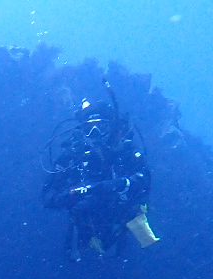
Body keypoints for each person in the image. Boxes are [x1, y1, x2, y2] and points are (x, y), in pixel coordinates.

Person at [43, 84, 157, 260]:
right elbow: (48, 197)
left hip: (124, 227)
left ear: (111, 128)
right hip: (84, 230)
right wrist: (71, 194)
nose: (95, 133)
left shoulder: (126, 153)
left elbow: (144, 181)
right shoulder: (72, 157)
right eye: (90, 128)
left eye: (101, 127)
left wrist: (110, 186)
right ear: (82, 131)